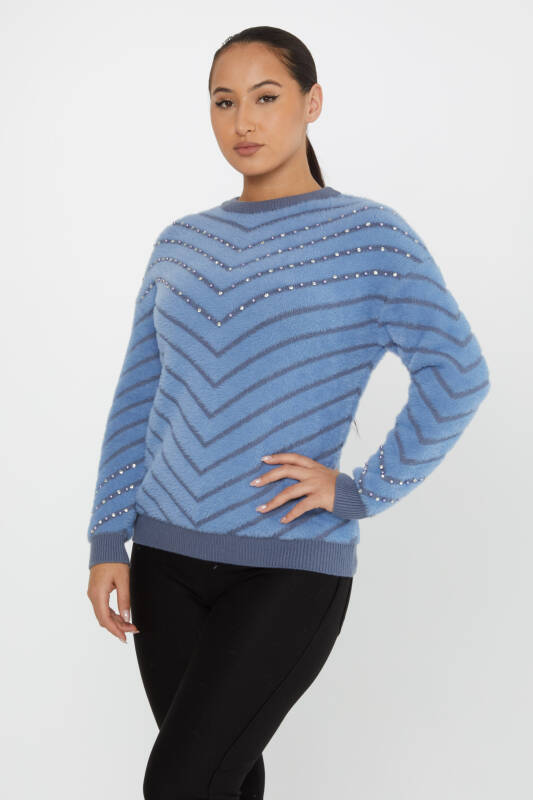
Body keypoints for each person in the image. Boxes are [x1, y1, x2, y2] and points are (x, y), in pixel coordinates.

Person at [86, 25, 491, 800]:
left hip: (287, 567)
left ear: (311, 102)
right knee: (225, 778)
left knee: (179, 783)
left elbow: (457, 373)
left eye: (265, 97)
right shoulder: (182, 243)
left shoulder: (369, 238)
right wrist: (108, 535)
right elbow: (139, 394)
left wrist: (361, 490)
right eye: (223, 102)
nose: (243, 121)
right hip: (163, 560)